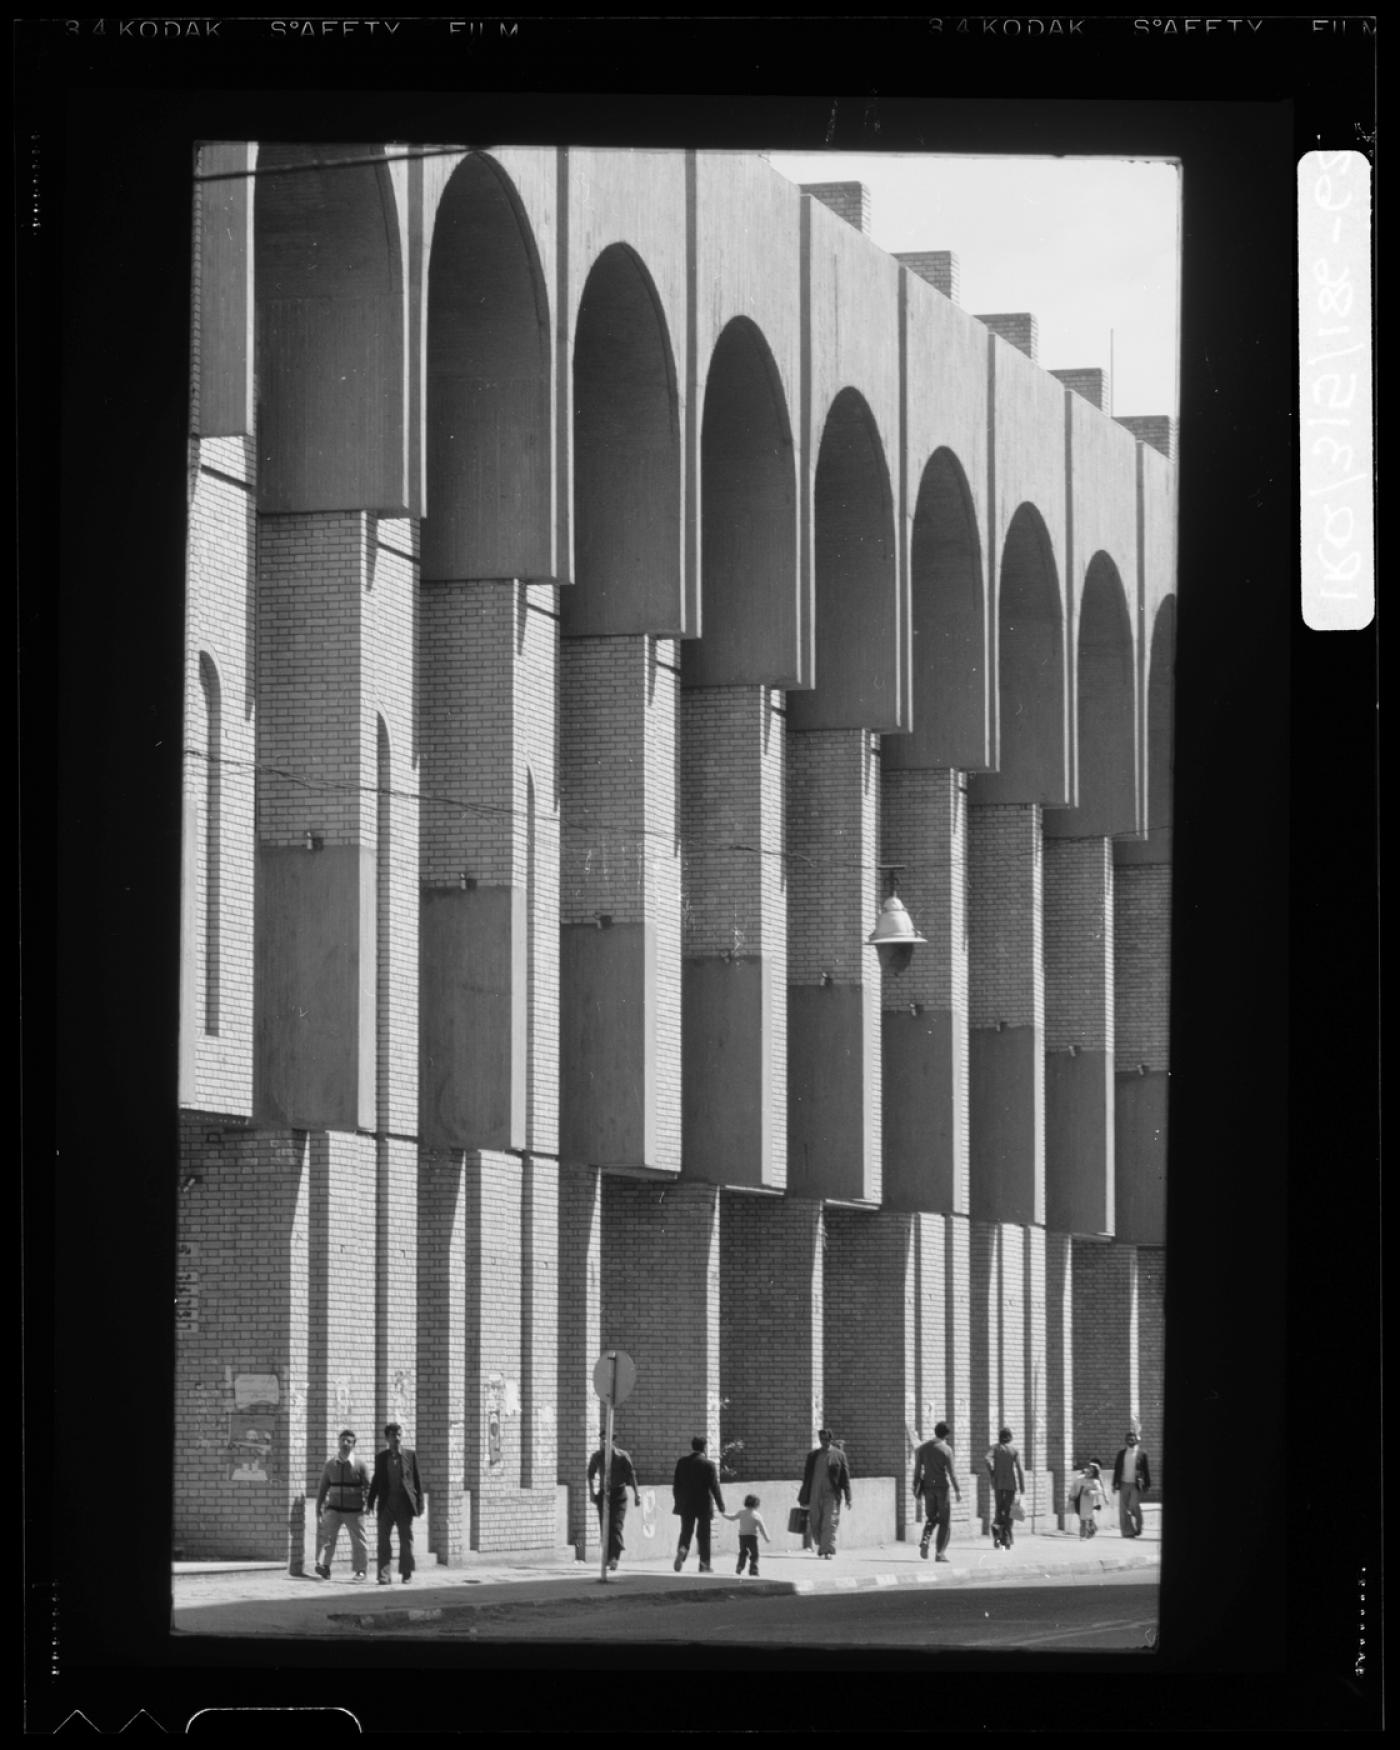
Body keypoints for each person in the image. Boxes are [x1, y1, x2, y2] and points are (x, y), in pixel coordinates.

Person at [366, 1422, 424, 1584]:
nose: (396, 1438)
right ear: (387, 1438)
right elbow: (376, 1481)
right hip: (386, 1504)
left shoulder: (410, 1456)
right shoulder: (381, 1458)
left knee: (406, 1539)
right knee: (383, 1540)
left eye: (399, 1435)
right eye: (393, 1435)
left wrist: (420, 1504)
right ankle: (384, 1575)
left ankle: (407, 1573)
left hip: (404, 1504)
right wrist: (370, 1502)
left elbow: (417, 1481)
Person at [313, 1428, 371, 1580]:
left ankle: (361, 1570)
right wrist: (318, 1507)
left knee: (359, 1541)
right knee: (327, 1538)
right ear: (338, 1443)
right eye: (343, 1440)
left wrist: (369, 1504)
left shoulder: (360, 1465)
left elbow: (368, 1487)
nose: (345, 1444)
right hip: (333, 1509)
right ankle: (325, 1567)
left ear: (354, 1445)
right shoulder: (330, 1465)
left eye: (349, 1441)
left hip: (354, 1511)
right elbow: (323, 1487)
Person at [672, 1435, 725, 1573]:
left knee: (686, 1531)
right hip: (703, 1505)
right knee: (704, 1535)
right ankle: (704, 1564)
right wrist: (720, 1505)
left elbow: (676, 1485)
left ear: (692, 1446)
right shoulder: (709, 1465)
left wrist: (678, 1502)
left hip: (686, 1504)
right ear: (704, 1448)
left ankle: (683, 1549)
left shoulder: (682, 1463)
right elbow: (714, 1487)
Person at [587, 1435, 641, 1571]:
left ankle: (614, 1558)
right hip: (604, 1494)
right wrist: (592, 1493)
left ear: (613, 1442)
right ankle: (606, 1557)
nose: (604, 1442)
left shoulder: (622, 1456)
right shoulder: (597, 1456)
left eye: (607, 1439)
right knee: (605, 1527)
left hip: (619, 1494)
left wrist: (636, 1494)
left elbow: (631, 1474)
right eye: (602, 1439)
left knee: (616, 1526)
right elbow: (590, 1474)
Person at [912, 1420, 961, 1562]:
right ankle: (940, 1553)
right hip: (942, 1488)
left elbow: (917, 1472)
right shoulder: (946, 1450)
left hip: (928, 1488)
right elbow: (952, 1473)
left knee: (931, 1518)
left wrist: (916, 1492)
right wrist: (958, 1490)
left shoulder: (923, 1448)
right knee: (945, 1522)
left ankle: (925, 1539)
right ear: (947, 1435)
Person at [799, 1429, 853, 1559]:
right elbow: (806, 1478)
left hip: (832, 1495)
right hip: (814, 1493)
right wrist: (803, 1495)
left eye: (827, 1440)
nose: (824, 1442)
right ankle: (822, 1545)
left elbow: (845, 1478)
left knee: (830, 1522)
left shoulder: (839, 1455)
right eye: (822, 1440)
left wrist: (848, 1497)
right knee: (815, 1522)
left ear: (830, 1439)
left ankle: (827, 1550)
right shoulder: (813, 1456)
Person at [985, 1426, 1025, 1549]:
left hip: (998, 1484)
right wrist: (1022, 1486)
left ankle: (998, 1535)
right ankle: (1007, 1538)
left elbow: (987, 1459)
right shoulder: (1013, 1450)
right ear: (1010, 1437)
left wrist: (992, 1473)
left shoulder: (995, 1448)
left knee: (999, 1509)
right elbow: (1019, 1469)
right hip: (1010, 1485)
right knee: (1009, 1512)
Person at [1112, 1428, 1151, 1537]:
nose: (1130, 1440)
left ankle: (1139, 1526)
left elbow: (1146, 1470)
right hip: (1123, 1483)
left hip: (1136, 1485)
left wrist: (1147, 1484)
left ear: (1136, 1440)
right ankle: (1128, 1532)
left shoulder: (1142, 1454)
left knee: (1134, 1506)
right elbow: (1117, 1469)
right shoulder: (1121, 1454)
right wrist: (1114, 1484)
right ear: (1126, 1440)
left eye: (1132, 1439)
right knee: (1123, 1509)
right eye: (1128, 1439)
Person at [723, 1494, 770, 1576]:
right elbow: (762, 1528)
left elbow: (732, 1518)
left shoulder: (741, 1513)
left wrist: (724, 1514)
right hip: (752, 1537)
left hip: (742, 1536)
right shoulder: (757, 1515)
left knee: (743, 1553)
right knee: (754, 1554)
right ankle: (753, 1570)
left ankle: (739, 1567)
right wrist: (767, 1538)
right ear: (757, 1504)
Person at [1073, 1459, 1105, 1538]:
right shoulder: (1083, 1476)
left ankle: (1088, 1530)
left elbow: (1100, 1490)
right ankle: (1088, 1529)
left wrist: (1092, 1492)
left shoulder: (1095, 1480)